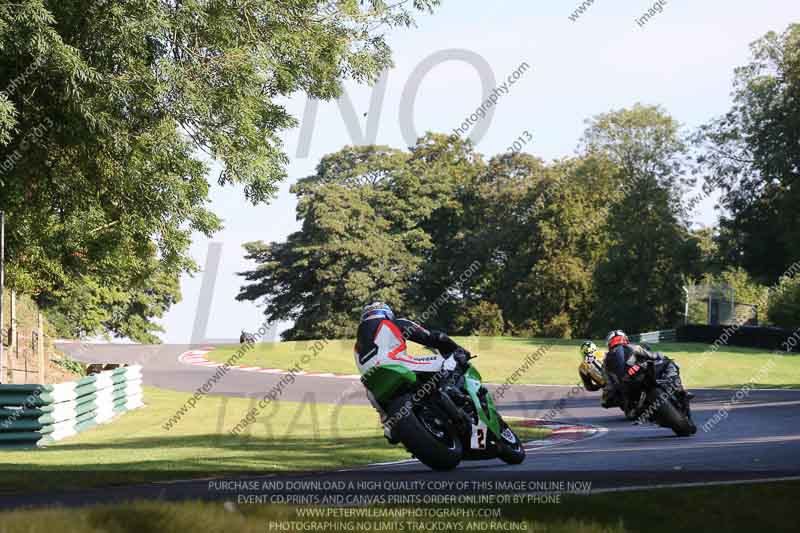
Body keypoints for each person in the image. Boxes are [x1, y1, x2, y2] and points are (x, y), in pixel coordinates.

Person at [354, 302, 470, 441]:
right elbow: (434, 337)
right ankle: (449, 391)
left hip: (373, 387)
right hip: (397, 364)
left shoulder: (356, 346)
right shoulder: (393, 323)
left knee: (387, 421)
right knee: (452, 360)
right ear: (387, 314)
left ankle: (391, 426)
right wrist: (455, 348)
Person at [602, 329, 691, 419]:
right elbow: (655, 356)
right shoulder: (633, 347)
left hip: (628, 390)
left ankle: (675, 390)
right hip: (636, 384)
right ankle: (680, 389)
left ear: (609, 343)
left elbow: (608, 383)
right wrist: (661, 356)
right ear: (625, 339)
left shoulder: (605, 361)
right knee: (669, 362)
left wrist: (608, 397)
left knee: (630, 413)